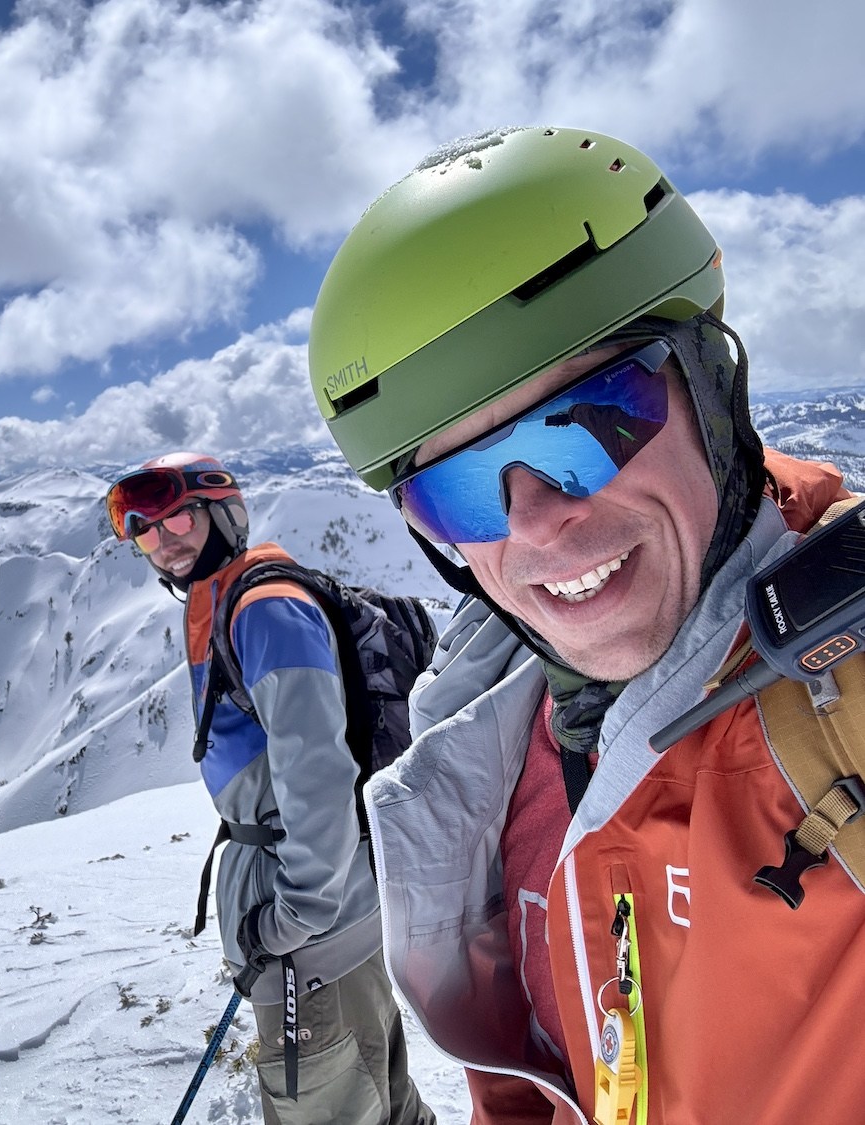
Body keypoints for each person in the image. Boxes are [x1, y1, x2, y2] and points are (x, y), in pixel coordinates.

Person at [306, 124, 865, 1123]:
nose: (537, 521)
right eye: (461, 489)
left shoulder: (846, 692)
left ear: (712, 385)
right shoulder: (496, 731)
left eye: (589, 422)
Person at [105, 452, 435, 1125]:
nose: (165, 541)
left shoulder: (263, 611)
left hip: (309, 935)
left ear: (223, 512)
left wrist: (292, 918)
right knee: (382, 1096)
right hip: (324, 920)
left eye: (181, 519)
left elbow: (318, 774)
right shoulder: (227, 597)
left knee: (329, 1100)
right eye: (149, 531)